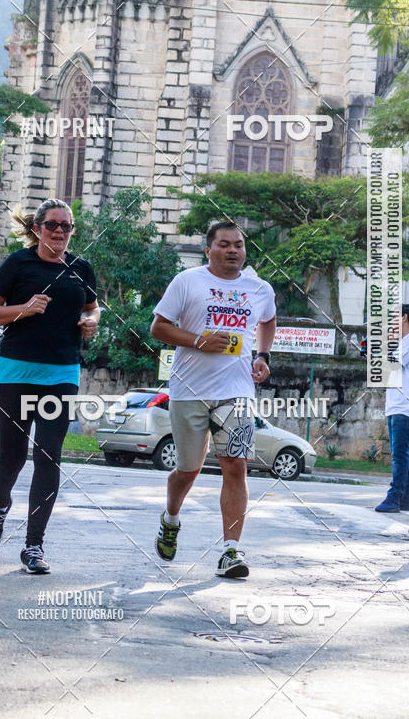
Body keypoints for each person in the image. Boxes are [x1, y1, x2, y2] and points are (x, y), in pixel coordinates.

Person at [150, 220, 277, 578]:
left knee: (235, 465)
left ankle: (230, 551)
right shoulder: (188, 281)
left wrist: (263, 356)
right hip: (189, 390)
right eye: (224, 244)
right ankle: (171, 516)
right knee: (187, 471)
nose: (233, 250)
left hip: (236, 391)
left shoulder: (259, 288)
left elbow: (267, 321)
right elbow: (158, 327)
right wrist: (198, 340)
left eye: (238, 244)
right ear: (209, 250)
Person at [0, 198, 100, 573]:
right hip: (15, 373)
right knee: (12, 458)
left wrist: (91, 320)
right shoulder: (19, 263)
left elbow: (93, 306)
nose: (60, 232)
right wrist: (23, 309)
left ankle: (34, 546)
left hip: (61, 375)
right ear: (38, 229)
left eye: (67, 226)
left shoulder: (82, 268)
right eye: (53, 225)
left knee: (49, 458)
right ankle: (0, 504)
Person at [375, 304, 409, 513]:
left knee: (399, 454)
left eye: (394, 317)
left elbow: (391, 365)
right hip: (399, 405)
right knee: (404, 454)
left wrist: (386, 345)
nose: (391, 322)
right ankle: (405, 498)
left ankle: (394, 497)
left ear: (404, 318)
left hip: (406, 407)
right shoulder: (407, 341)